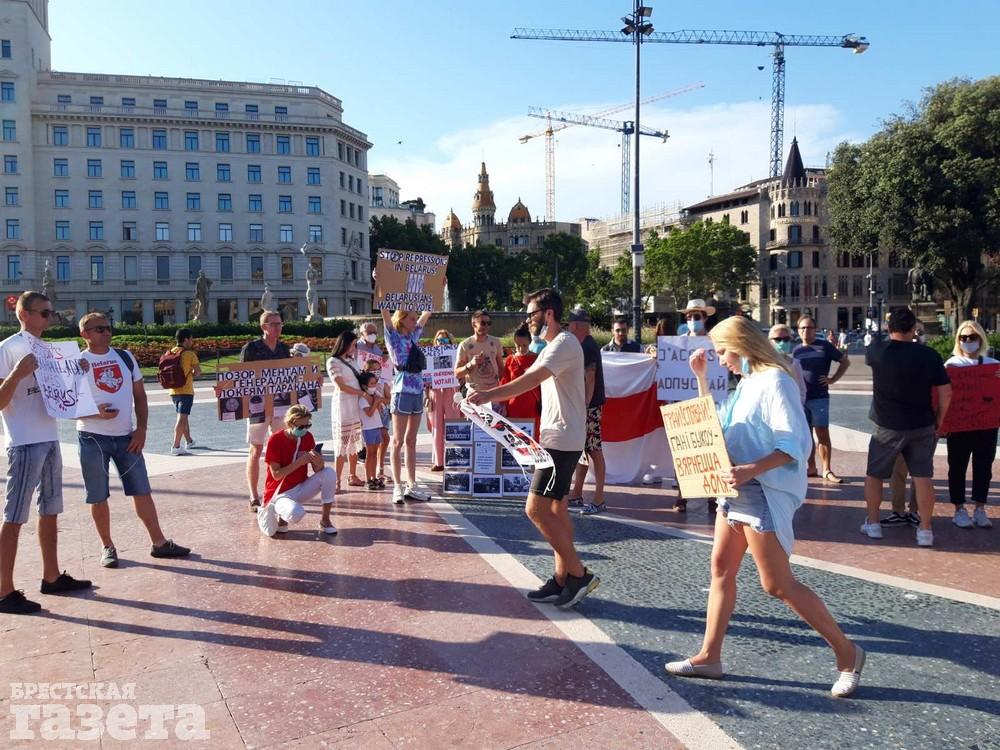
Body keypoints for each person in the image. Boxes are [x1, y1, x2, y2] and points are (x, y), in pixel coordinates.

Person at [666, 315, 865, 698]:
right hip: (736, 489)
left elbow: (794, 444)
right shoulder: (748, 382)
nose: (721, 360)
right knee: (721, 568)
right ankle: (709, 656)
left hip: (760, 490)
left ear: (740, 346)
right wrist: (701, 379)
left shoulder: (775, 381)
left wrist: (749, 470)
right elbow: (715, 424)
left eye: (722, 352)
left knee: (777, 584)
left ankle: (848, 653)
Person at [469, 288, 600, 610]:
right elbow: (529, 376)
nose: (527, 321)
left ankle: (579, 574)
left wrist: (489, 396)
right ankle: (561, 578)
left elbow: (531, 380)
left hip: (563, 440)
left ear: (549, 314)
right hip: (558, 437)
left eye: (531, 315)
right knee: (556, 509)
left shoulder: (565, 343)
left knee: (536, 509)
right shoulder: (553, 346)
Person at [0, 292, 91, 614]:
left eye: (51, 312)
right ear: (24, 314)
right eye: (44, 312)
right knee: (14, 516)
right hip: (24, 440)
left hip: (50, 436)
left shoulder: (48, 349)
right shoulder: (9, 348)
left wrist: (77, 371)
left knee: (50, 508)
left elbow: (61, 394)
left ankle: (51, 576)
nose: (50, 318)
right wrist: (17, 373)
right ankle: (4, 590)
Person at [76, 313, 191, 568]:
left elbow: (140, 396)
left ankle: (159, 542)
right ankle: (107, 546)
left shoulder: (125, 357)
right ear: (85, 334)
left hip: (126, 437)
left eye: (108, 328)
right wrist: (95, 413)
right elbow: (66, 405)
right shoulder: (77, 363)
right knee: (97, 495)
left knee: (141, 489)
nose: (106, 332)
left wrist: (142, 429)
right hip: (92, 437)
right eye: (99, 329)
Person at [860, 308, 951, 547]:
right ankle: (925, 530)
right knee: (923, 477)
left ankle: (874, 524)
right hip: (922, 424)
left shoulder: (877, 351)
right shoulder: (929, 355)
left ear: (889, 328)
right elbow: (946, 391)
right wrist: (940, 418)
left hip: (887, 426)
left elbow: (872, 352)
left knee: (874, 475)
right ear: (914, 328)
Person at [944, 320, 997, 530]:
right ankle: (959, 509)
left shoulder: (993, 365)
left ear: (980, 339)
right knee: (957, 466)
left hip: (986, 425)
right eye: (963, 337)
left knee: (984, 467)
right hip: (959, 426)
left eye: (972, 337)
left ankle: (980, 508)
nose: (967, 341)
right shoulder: (951, 365)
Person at [380, 307, 433, 504]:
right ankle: (397, 486)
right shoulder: (393, 337)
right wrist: (381, 291)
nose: (415, 322)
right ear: (401, 320)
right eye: (411, 319)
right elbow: (385, 314)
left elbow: (426, 315)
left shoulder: (413, 336)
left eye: (415, 319)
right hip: (401, 390)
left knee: (411, 440)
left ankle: (412, 485)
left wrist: (433, 299)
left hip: (417, 390)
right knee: (398, 440)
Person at [241, 310, 291, 512]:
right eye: (274, 324)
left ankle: (277, 491)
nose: (278, 327)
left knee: (281, 447)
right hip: (258, 406)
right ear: (264, 327)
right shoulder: (251, 348)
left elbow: (291, 375)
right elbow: (240, 376)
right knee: (256, 449)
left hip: (280, 404)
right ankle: (254, 496)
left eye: (280, 324)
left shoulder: (284, 348)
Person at [260, 404, 337, 536]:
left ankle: (325, 521)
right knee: (296, 514)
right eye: (301, 427)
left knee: (329, 473)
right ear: (290, 424)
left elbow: (318, 470)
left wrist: (319, 461)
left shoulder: (308, 437)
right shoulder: (275, 440)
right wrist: (300, 462)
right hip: (279, 493)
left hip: (300, 487)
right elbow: (276, 475)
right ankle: (279, 513)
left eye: (308, 425)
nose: (304, 429)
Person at [793, 315, 850, 483]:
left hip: (819, 397)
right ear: (798, 330)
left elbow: (845, 362)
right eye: (802, 328)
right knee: (806, 435)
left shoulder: (824, 346)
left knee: (822, 433)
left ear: (815, 329)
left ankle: (826, 469)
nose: (806, 331)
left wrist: (833, 379)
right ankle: (811, 467)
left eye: (809, 328)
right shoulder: (797, 350)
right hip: (801, 399)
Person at [566, 309, 607, 515]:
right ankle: (577, 492)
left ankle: (599, 498)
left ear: (575, 325)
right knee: (582, 450)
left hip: (589, 407)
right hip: (586, 406)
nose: (568, 328)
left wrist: (584, 407)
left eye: (569, 324)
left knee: (594, 450)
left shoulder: (587, 347)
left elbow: (590, 378)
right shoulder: (585, 344)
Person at [326, 331, 368, 490]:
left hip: (355, 404)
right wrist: (361, 393)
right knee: (342, 443)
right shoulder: (333, 362)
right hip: (343, 404)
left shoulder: (352, 360)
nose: (354, 348)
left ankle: (352, 475)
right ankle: (336, 481)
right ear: (345, 344)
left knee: (354, 441)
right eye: (353, 345)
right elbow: (340, 385)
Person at [356, 321, 392, 484]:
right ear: (362, 333)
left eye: (374, 332)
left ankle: (379, 470)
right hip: (368, 408)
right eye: (369, 332)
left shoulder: (377, 349)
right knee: (372, 445)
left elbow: (383, 373)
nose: (372, 334)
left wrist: (384, 360)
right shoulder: (357, 348)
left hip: (381, 408)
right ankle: (370, 474)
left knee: (383, 439)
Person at [455, 310, 505, 414]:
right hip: (474, 394)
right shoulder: (465, 345)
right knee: (476, 424)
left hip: (493, 393)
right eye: (483, 323)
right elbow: (457, 373)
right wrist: (471, 364)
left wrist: (503, 393)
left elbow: (501, 369)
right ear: (474, 324)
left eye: (489, 323)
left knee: (496, 424)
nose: (486, 326)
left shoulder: (495, 342)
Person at [425, 329, 461, 471]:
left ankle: (456, 458)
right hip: (435, 392)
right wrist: (426, 390)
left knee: (454, 424)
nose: (441, 343)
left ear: (449, 341)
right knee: (436, 427)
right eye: (439, 340)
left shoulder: (456, 354)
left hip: (451, 390)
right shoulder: (429, 355)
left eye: (445, 340)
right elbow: (426, 376)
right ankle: (438, 462)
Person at [500, 324, 541, 438]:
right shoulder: (510, 360)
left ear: (530, 343)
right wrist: (503, 405)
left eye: (524, 345)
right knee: (515, 438)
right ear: (514, 343)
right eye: (518, 345)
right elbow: (505, 383)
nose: (521, 349)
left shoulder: (537, 359)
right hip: (514, 406)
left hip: (533, 405)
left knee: (533, 438)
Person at [168, 328, 201, 456]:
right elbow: (197, 372)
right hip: (186, 390)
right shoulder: (189, 354)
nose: (192, 341)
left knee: (183, 416)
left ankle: (189, 441)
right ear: (186, 339)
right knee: (182, 418)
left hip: (173, 390)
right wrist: (191, 372)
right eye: (191, 339)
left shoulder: (171, 352)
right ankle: (176, 446)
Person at [358, 372, 388, 489]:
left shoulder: (374, 395)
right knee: (369, 453)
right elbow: (369, 413)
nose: (374, 386)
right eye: (372, 384)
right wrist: (376, 402)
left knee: (375, 453)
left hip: (377, 426)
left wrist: (379, 402)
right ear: (364, 386)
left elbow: (381, 407)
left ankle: (374, 476)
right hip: (368, 428)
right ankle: (368, 479)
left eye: (375, 383)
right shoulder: (362, 399)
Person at [768, 324, 807, 405]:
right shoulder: (764, 363)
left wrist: (798, 406)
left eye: (786, 339)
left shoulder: (795, 364)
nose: (782, 342)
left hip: (790, 406)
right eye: (778, 339)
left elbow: (801, 389)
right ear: (770, 341)